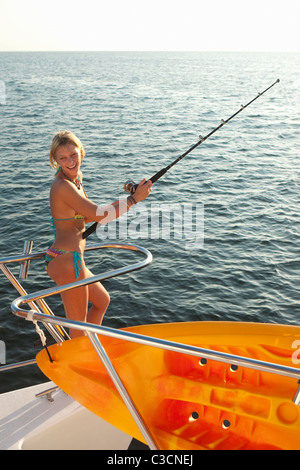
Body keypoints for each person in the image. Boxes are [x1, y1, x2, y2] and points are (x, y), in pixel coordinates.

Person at [46, 130, 152, 338]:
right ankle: (81, 360)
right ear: (55, 160)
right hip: (66, 261)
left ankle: (90, 349)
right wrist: (133, 200)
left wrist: (125, 201)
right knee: (78, 329)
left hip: (72, 258)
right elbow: (97, 214)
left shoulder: (75, 181)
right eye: (63, 158)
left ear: (81, 152)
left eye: (73, 155)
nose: (70, 161)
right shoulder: (63, 186)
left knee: (102, 301)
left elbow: (85, 217)